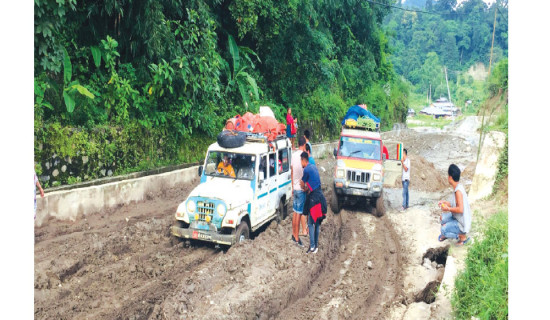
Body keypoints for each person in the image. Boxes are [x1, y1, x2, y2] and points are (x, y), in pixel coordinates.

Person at [438, 164, 472, 245]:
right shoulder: (458, 187)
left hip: (462, 223)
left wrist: (448, 209)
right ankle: (450, 231)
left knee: (443, 229)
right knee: (442, 218)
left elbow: (460, 209)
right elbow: (455, 204)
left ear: (450, 177)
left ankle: (462, 237)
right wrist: (445, 203)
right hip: (458, 217)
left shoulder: (458, 191)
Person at [300, 151, 326, 254]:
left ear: (303, 160)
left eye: (300, 161)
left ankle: (312, 247)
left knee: (310, 223)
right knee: (317, 222)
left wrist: (303, 188)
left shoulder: (306, 170)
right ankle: (316, 246)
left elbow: (302, 184)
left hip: (314, 199)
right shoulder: (313, 166)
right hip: (320, 196)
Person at [291, 137, 308, 247]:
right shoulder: (304, 156)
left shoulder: (293, 155)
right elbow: (306, 172)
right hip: (301, 189)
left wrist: (292, 186)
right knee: (299, 213)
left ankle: (294, 234)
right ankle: (297, 238)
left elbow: (292, 171)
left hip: (295, 188)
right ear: (305, 144)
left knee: (294, 212)